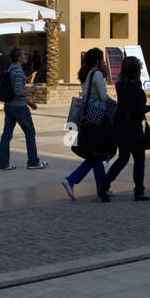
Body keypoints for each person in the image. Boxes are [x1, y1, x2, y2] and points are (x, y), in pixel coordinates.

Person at [101, 56, 150, 201]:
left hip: (121, 127)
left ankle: (104, 186)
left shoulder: (120, 84)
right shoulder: (135, 86)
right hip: (133, 128)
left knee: (123, 158)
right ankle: (139, 191)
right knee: (139, 159)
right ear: (135, 69)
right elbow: (137, 109)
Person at [62, 48, 115, 200]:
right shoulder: (97, 74)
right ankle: (71, 180)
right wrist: (114, 104)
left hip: (86, 117)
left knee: (96, 154)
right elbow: (103, 97)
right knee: (96, 154)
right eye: (102, 59)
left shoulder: (85, 73)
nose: (104, 62)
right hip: (97, 118)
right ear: (97, 61)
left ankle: (102, 187)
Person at [0, 47, 46, 170]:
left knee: (6, 135)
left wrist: (29, 102)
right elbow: (18, 91)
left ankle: (2, 163)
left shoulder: (10, 69)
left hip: (9, 106)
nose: (26, 56)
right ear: (19, 58)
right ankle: (33, 161)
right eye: (23, 55)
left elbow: (13, 92)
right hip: (19, 108)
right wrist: (31, 90)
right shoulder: (18, 71)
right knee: (30, 133)